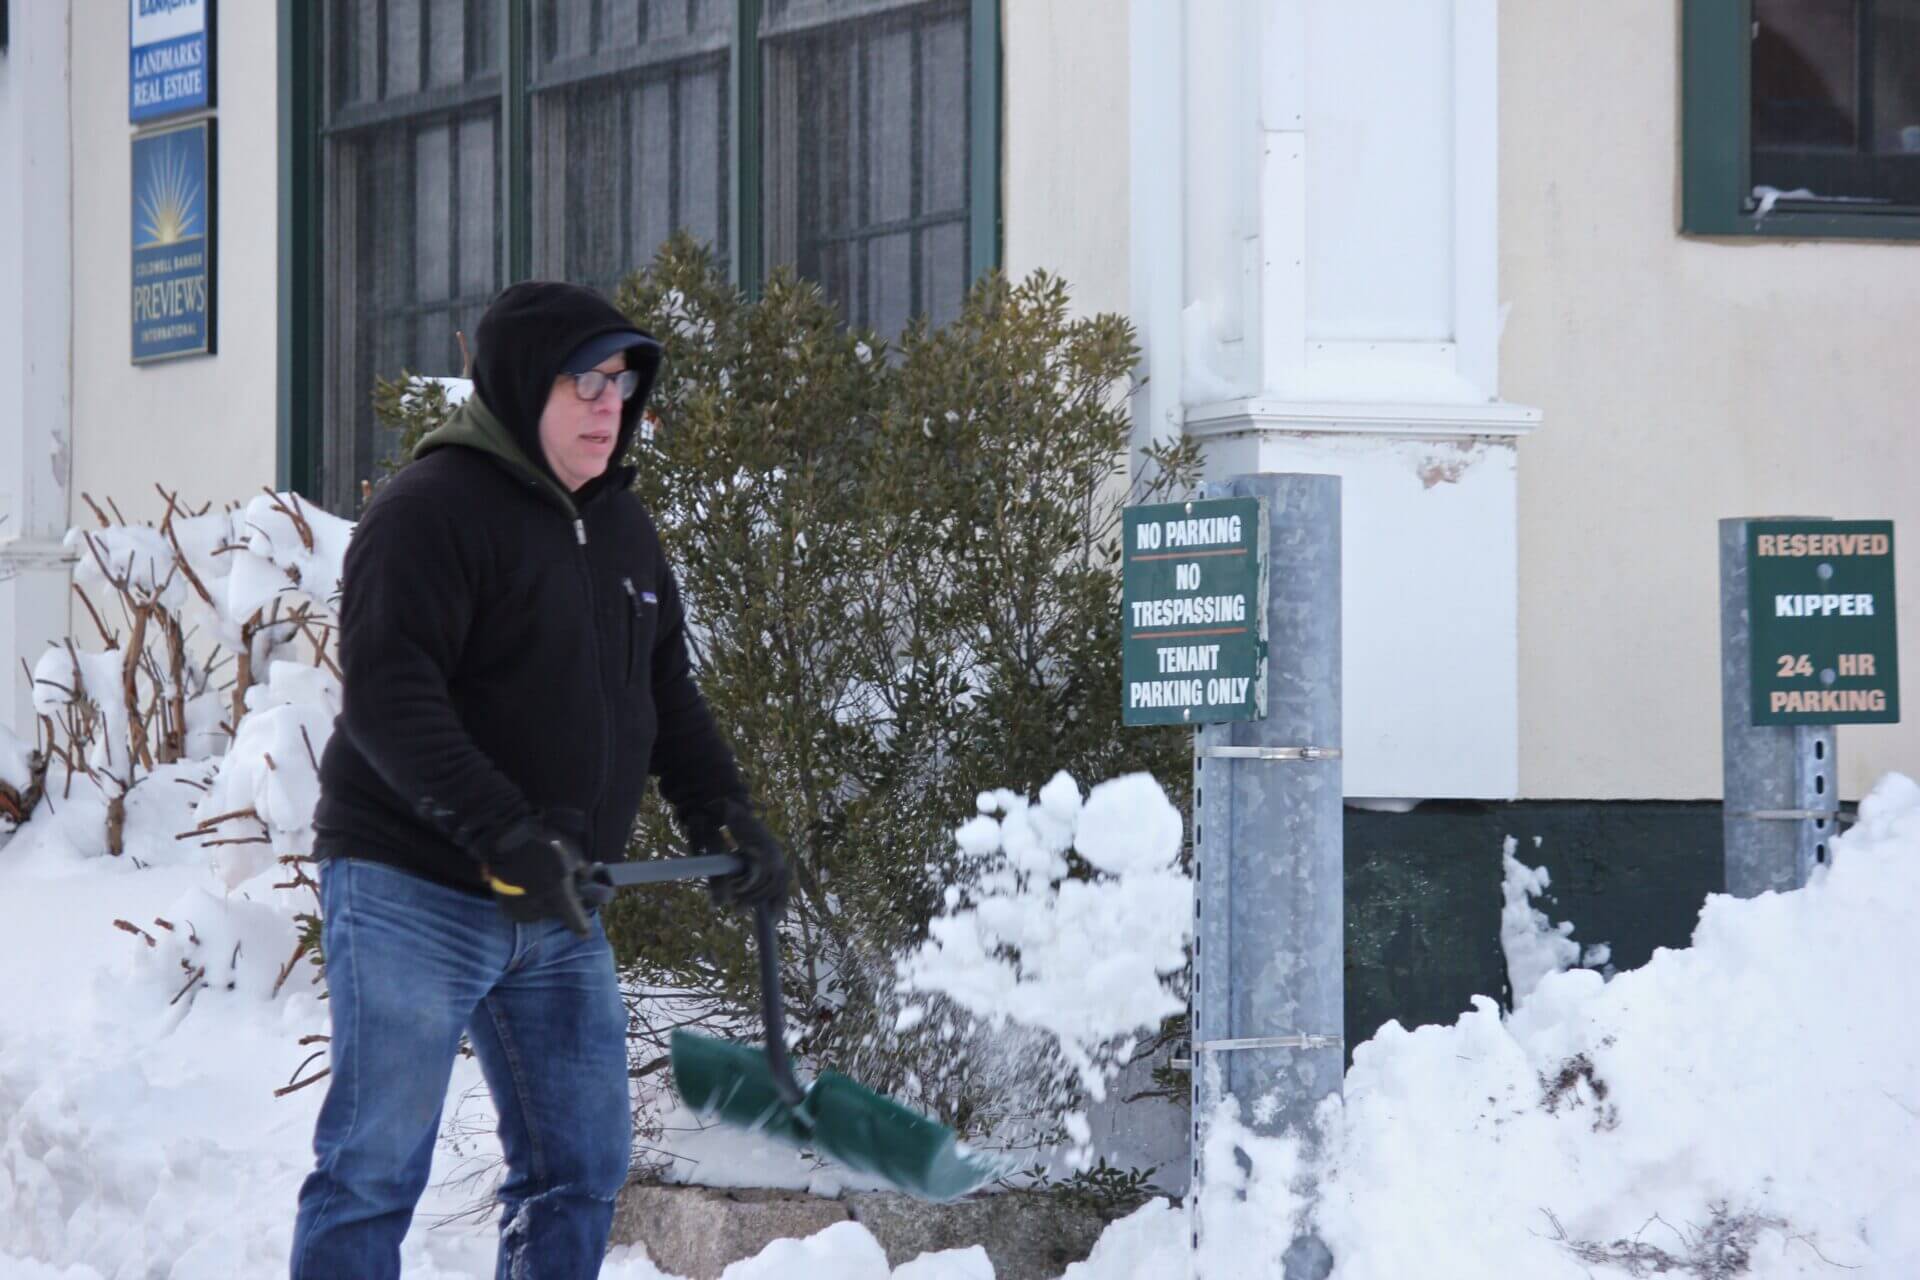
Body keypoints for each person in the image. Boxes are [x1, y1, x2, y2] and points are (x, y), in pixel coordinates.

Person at [291, 280, 789, 1279]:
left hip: (555, 900)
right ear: (524, 387)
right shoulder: (428, 512)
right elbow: (391, 700)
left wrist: (725, 814)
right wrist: (501, 829)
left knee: (580, 1165)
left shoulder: (622, 529)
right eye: (585, 383)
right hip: (408, 884)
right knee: (374, 1165)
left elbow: (665, 698)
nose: (613, 405)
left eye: (623, 384)